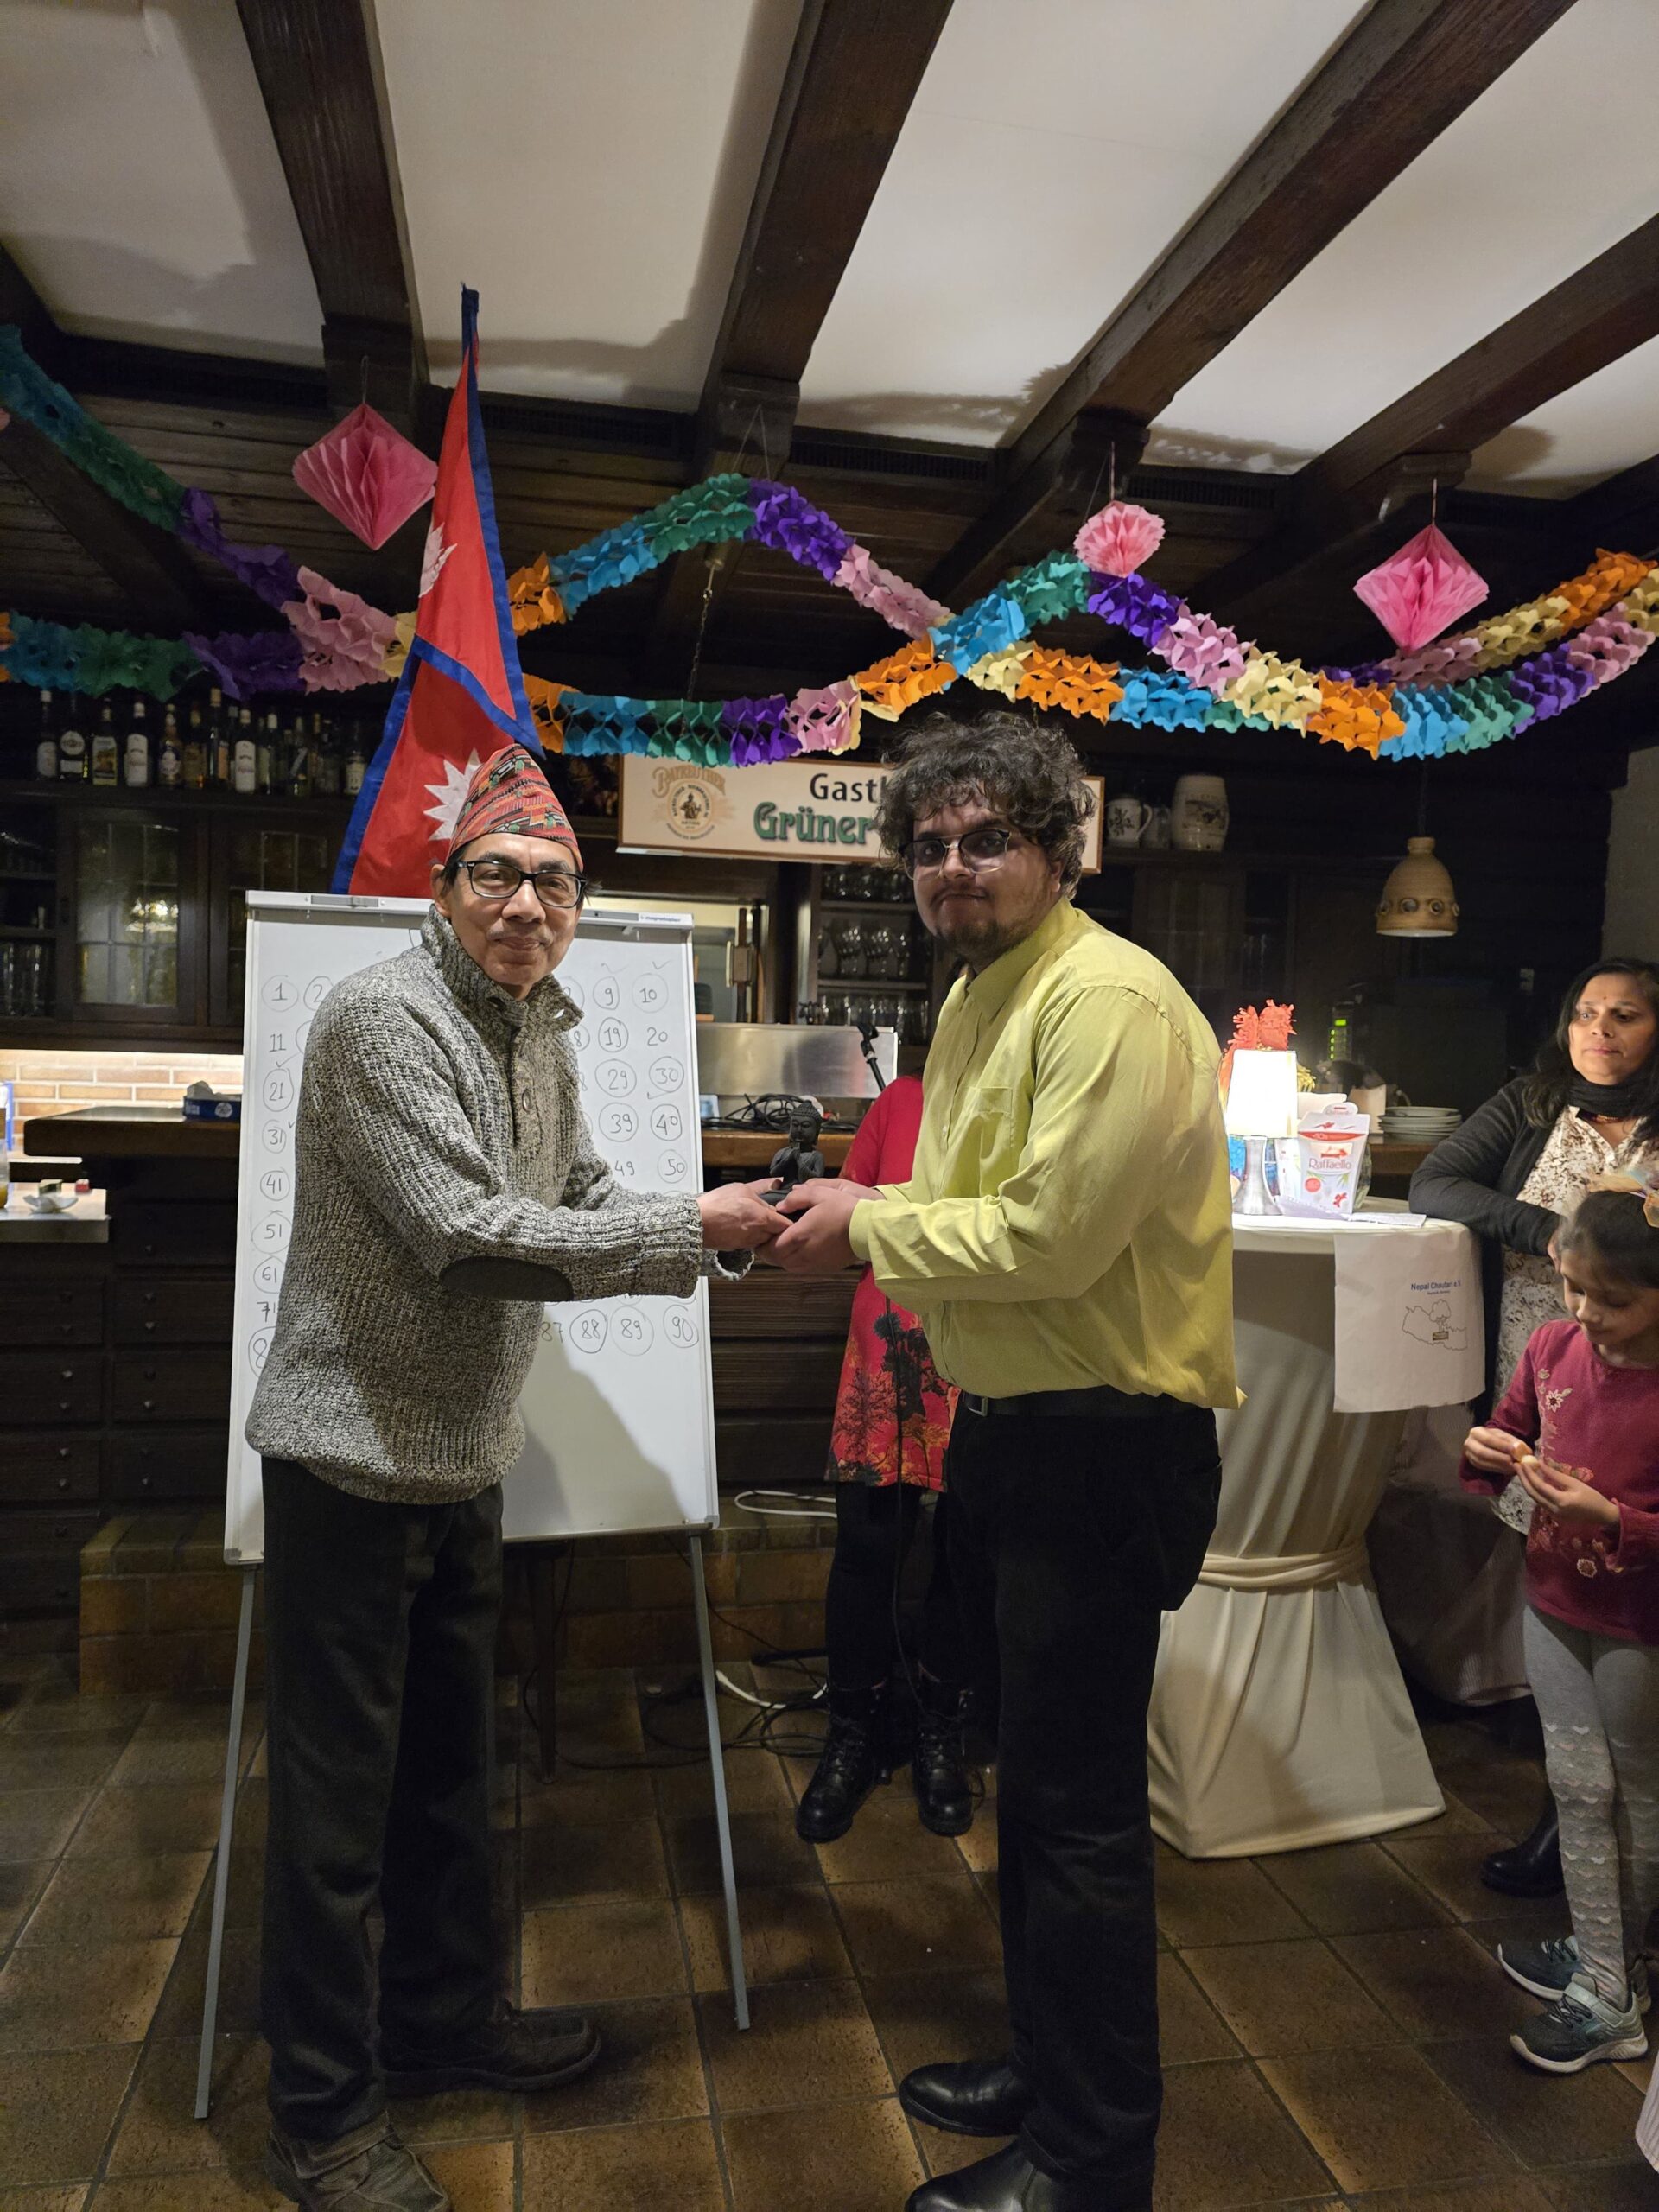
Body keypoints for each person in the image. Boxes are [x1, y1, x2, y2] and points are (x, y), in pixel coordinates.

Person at [245, 745, 779, 2212]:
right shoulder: (382, 1019)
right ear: (445, 887)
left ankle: (439, 2021)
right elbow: (469, 1234)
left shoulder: (539, 1022)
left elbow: (581, 1193)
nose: (527, 904)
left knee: (449, 1777)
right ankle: (320, 2116)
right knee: (333, 1814)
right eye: (497, 874)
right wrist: (693, 1232)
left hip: (460, 1457)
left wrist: (723, 1219)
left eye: (555, 881)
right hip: (349, 1461)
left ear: (578, 906)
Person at [769, 711, 1236, 2212]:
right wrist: (865, 1214)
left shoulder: (1111, 1000)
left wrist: (863, 1224)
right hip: (1013, 1432)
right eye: (929, 845)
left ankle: (1094, 2164)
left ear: (1059, 850)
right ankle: (1048, 2069)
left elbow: (1047, 1239)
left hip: (1106, 1447)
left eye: (988, 839)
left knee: (1081, 1823)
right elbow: (963, 1199)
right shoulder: (982, 992)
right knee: (1032, 1797)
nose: (953, 867)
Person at [1413, 959, 1659, 1897]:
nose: (1600, 1031)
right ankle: (1570, 1813)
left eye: (1625, 1016)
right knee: (1555, 1561)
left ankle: (1618, 1849)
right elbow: (1436, 1180)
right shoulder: (1531, 1100)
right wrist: (1539, 1227)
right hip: (1544, 1358)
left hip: (1649, 1379)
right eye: (1585, 1013)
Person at [1459, 1174, 1659, 2074]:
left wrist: (1611, 1517)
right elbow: (1510, 1431)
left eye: (1612, 1300)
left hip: (1639, 1620)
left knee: (1639, 1791)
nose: (1586, 1313)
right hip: (1552, 1598)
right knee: (1577, 1786)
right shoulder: (1551, 1345)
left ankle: (1616, 1980)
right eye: (1574, 1288)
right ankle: (1604, 1960)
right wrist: (1488, 1447)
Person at [795, 1072, 970, 1846]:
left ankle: (941, 1726)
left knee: (966, 1549)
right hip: (888, 1338)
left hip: (987, 1344)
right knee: (866, 1546)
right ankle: (852, 1733)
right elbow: (843, 1219)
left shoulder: (1027, 1093)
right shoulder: (902, 1098)